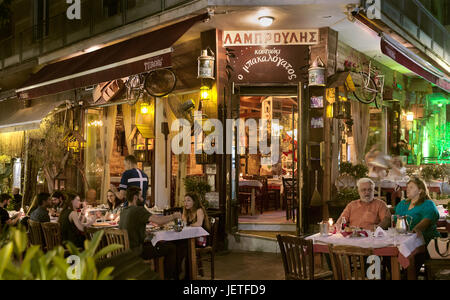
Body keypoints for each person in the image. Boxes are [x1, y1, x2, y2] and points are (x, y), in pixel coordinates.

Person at [119, 186, 180, 280]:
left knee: (159, 244)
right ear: (135, 197)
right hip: (136, 251)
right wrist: (174, 215)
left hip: (125, 251)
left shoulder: (124, 211)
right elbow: (159, 221)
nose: (143, 198)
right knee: (171, 248)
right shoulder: (138, 210)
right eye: (141, 196)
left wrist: (145, 233)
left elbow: (132, 228)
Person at [176, 193, 211, 279]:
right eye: (184, 201)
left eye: (188, 200)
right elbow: (184, 224)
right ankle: (178, 272)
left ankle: (187, 275)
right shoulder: (186, 211)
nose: (186, 203)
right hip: (191, 239)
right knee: (177, 246)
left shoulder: (199, 210)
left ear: (194, 202)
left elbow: (199, 224)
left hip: (201, 240)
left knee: (185, 247)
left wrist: (188, 225)